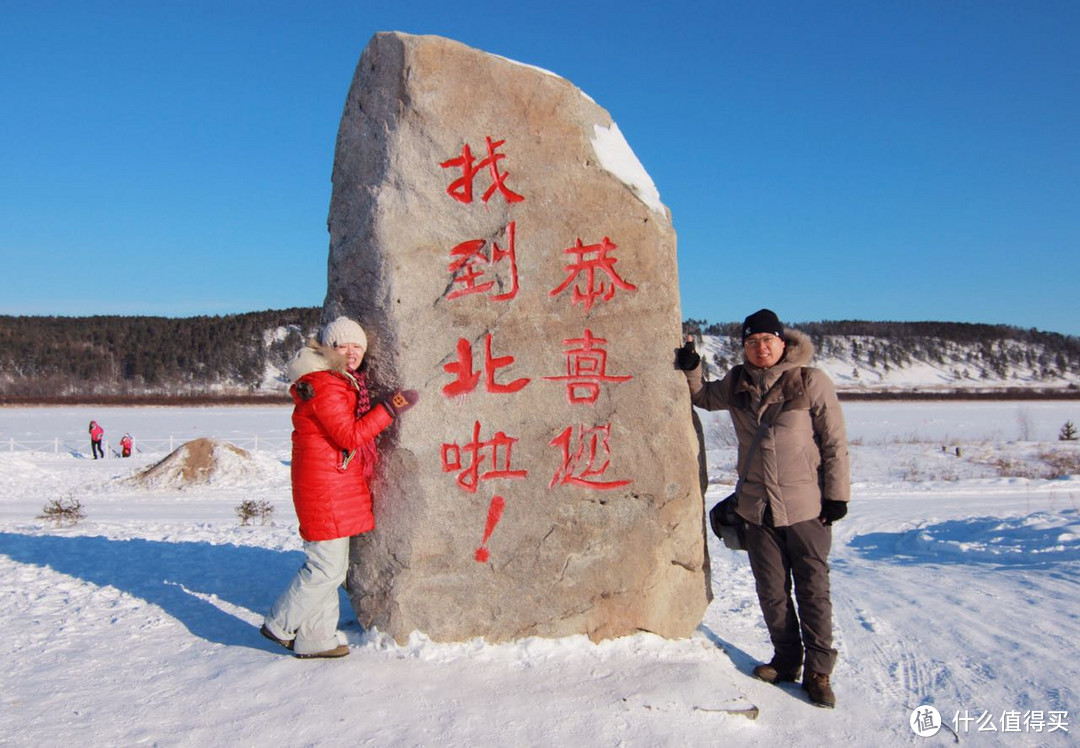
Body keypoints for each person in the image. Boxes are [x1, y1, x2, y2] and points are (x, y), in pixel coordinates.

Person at [676, 309, 850, 708]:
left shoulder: (809, 381)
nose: (760, 348)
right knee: (771, 592)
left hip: (806, 507)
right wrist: (692, 368)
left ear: (782, 343)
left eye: (767, 340)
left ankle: (819, 671)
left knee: (813, 590)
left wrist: (837, 495)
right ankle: (787, 660)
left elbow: (834, 442)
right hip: (757, 509)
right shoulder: (737, 383)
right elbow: (703, 396)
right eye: (752, 342)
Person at [261, 316, 418, 659]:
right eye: (342, 346)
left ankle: (315, 639)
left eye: (357, 347)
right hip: (324, 488)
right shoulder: (325, 384)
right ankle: (280, 623)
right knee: (326, 567)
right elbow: (349, 436)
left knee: (331, 567)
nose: (350, 353)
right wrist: (390, 408)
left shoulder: (338, 382)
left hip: (332, 484)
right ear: (328, 348)